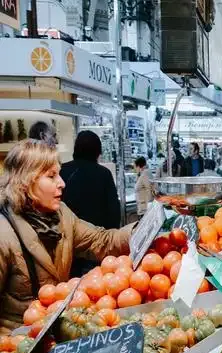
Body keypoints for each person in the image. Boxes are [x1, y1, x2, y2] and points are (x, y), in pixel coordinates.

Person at [0, 140, 133, 332]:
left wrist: (141, 231)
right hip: (15, 347)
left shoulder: (61, 216)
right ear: (26, 182)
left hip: (53, 335)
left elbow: (102, 241)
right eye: (51, 176)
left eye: (59, 174)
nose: (61, 183)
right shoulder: (4, 233)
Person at [60, 131, 121, 231]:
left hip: (69, 234)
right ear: (97, 151)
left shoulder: (62, 170)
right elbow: (113, 210)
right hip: (98, 237)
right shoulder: (104, 173)